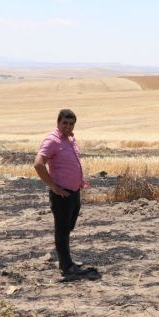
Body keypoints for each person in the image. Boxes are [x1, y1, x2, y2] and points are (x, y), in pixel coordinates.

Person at [33, 109, 89, 277]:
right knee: (62, 230)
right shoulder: (52, 140)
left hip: (74, 191)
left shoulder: (71, 140)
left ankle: (66, 259)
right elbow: (38, 164)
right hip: (61, 194)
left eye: (71, 123)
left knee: (68, 227)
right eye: (65, 123)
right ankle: (67, 266)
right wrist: (53, 187)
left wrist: (79, 181)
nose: (68, 126)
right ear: (58, 122)